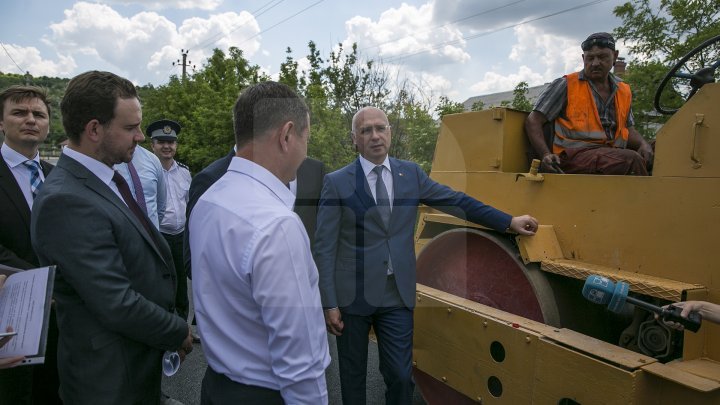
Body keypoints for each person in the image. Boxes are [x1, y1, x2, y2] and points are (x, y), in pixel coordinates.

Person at [314, 106, 539, 405]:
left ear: (390, 132)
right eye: (366, 130)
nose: (375, 136)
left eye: (381, 128)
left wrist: (507, 221)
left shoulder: (411, 175)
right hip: (352, 294)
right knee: (353, 377)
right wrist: (329, 302)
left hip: (397, 293)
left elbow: (456, 201)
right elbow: (325, 246)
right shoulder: (337, 181)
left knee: (400, 374)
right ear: (354, 138)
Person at [30, 71, 193, 404]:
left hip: (133, 364)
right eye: (131, 128)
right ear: (94, 129)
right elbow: (115, 302)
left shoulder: (100, 177)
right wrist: (177, 330)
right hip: (110, 379)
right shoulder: (66, 199)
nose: (141, 138)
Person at [190, 81, 330, 404]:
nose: (306, 150)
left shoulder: (209, 200)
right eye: (306, 138)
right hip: (265, 395)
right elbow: (301, 366)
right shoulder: (277, 225)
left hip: (216, 387)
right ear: (287, 135)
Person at [0, 85, 62, 403]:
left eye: (38, 114)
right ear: (1, 122)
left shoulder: (60, 176)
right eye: (19, 112)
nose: (30, 119)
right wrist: (42, 284)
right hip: (10, 313)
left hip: (63, 317)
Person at [525, 32, 654, 175]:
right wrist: (545, 154)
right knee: (631, 160)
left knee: (663, 148)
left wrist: (643, 144)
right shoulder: (566, 85)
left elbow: (628, 130)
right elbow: (533, 120)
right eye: (590, 58)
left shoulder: (623, 90)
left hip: (611, 154)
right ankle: (645, 196)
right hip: (572, 157)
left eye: (602, 57)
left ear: (615, 57)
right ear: (583, 58)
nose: (595, 63)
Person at [150, 119, 191, 322]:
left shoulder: (184, 172)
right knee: (162, 282)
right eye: (161, 141)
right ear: (152, 145)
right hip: (159, 235)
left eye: (171, 142)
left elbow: (189, 204)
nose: (167, 146)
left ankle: (184, 326)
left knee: (182, 284)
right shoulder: (146, 173)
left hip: (180, 236)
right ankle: (164, 324)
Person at [115, 141, 167, 229]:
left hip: (152, 237)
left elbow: (161, 206)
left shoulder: (152, 159)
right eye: (129, 128)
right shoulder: (103, 161)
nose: (141, 136)